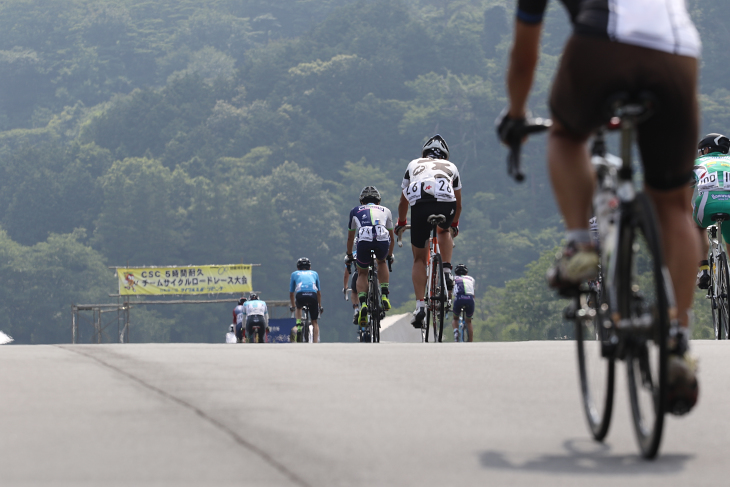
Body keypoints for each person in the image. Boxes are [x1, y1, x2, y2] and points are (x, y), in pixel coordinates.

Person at [497, 0, 700, 413]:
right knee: (675, 207)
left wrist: (517, 115)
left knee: (567, 136)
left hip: (601, 45)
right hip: (677, 53)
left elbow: (523, 57)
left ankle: (581, 249)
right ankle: (677, 340)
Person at [394, 135, 462, 329]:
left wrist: (401, 222)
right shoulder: (452, 167)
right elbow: (459, 204)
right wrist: (454, 224)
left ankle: (420, 307)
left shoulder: (413, 164)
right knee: (444, 230)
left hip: (420, 206)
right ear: (445, 156)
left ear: (424, 154)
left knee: (418, 259)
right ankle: (447, 270)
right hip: (446, 204)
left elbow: (403, 201)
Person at [346, 186, 395, 325]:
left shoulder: (354, 211)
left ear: (362, 202)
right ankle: (385, 294)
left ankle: (363, 304)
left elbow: (350, 238)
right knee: (381, 263)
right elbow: (392, 237)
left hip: (364, 239)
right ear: (378, 202)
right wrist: (389, 255)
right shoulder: (386, 210)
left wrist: (349, 255)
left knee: (362, 273)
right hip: (382, 238)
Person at [692, 133, 730, 289]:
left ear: (706, 150)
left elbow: (686, 200)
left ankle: (703, 270)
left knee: (697, 226)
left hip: (707, 203)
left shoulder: (697, 162)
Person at [289, 257, 322, 342]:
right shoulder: (315, 273)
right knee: (314, 322)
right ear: (310, 267)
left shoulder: (294, 274)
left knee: (298, 307)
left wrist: (293, 306)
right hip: (313, 295)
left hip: (300, 295)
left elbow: (291, 293)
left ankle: (299, 324)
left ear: (298, 268)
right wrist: (320, 306)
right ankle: (315, 342)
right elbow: (319, 293)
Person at [451, 264, 475, 342]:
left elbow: (450, 292)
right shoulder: (471, 279)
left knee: (455, 318)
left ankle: (456, 332)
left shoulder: (453, 278)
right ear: (466, 273)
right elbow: (473, 293)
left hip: (459, 298)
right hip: (470, 299)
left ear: (456, 273)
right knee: (469, 321)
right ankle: (470, 341)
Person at [343, 248, 360, 324]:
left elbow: (346, 275)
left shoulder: (353, 254)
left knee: (354, 291)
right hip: (372, 275)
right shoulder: (372, 250)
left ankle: (356, 309)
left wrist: (345, 287)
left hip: (359, 274)